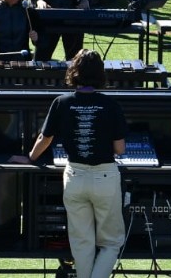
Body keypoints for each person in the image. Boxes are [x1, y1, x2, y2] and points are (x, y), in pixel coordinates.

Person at [13, 50, 127, 278]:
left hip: (74, 175)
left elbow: (45, 139)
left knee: (81, 243)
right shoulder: (111, 105)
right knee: (112, 242)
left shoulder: (61, 102)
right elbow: (120, 149)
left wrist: (30, 158)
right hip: (105, 176)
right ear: (100, 74)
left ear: (73, 72)